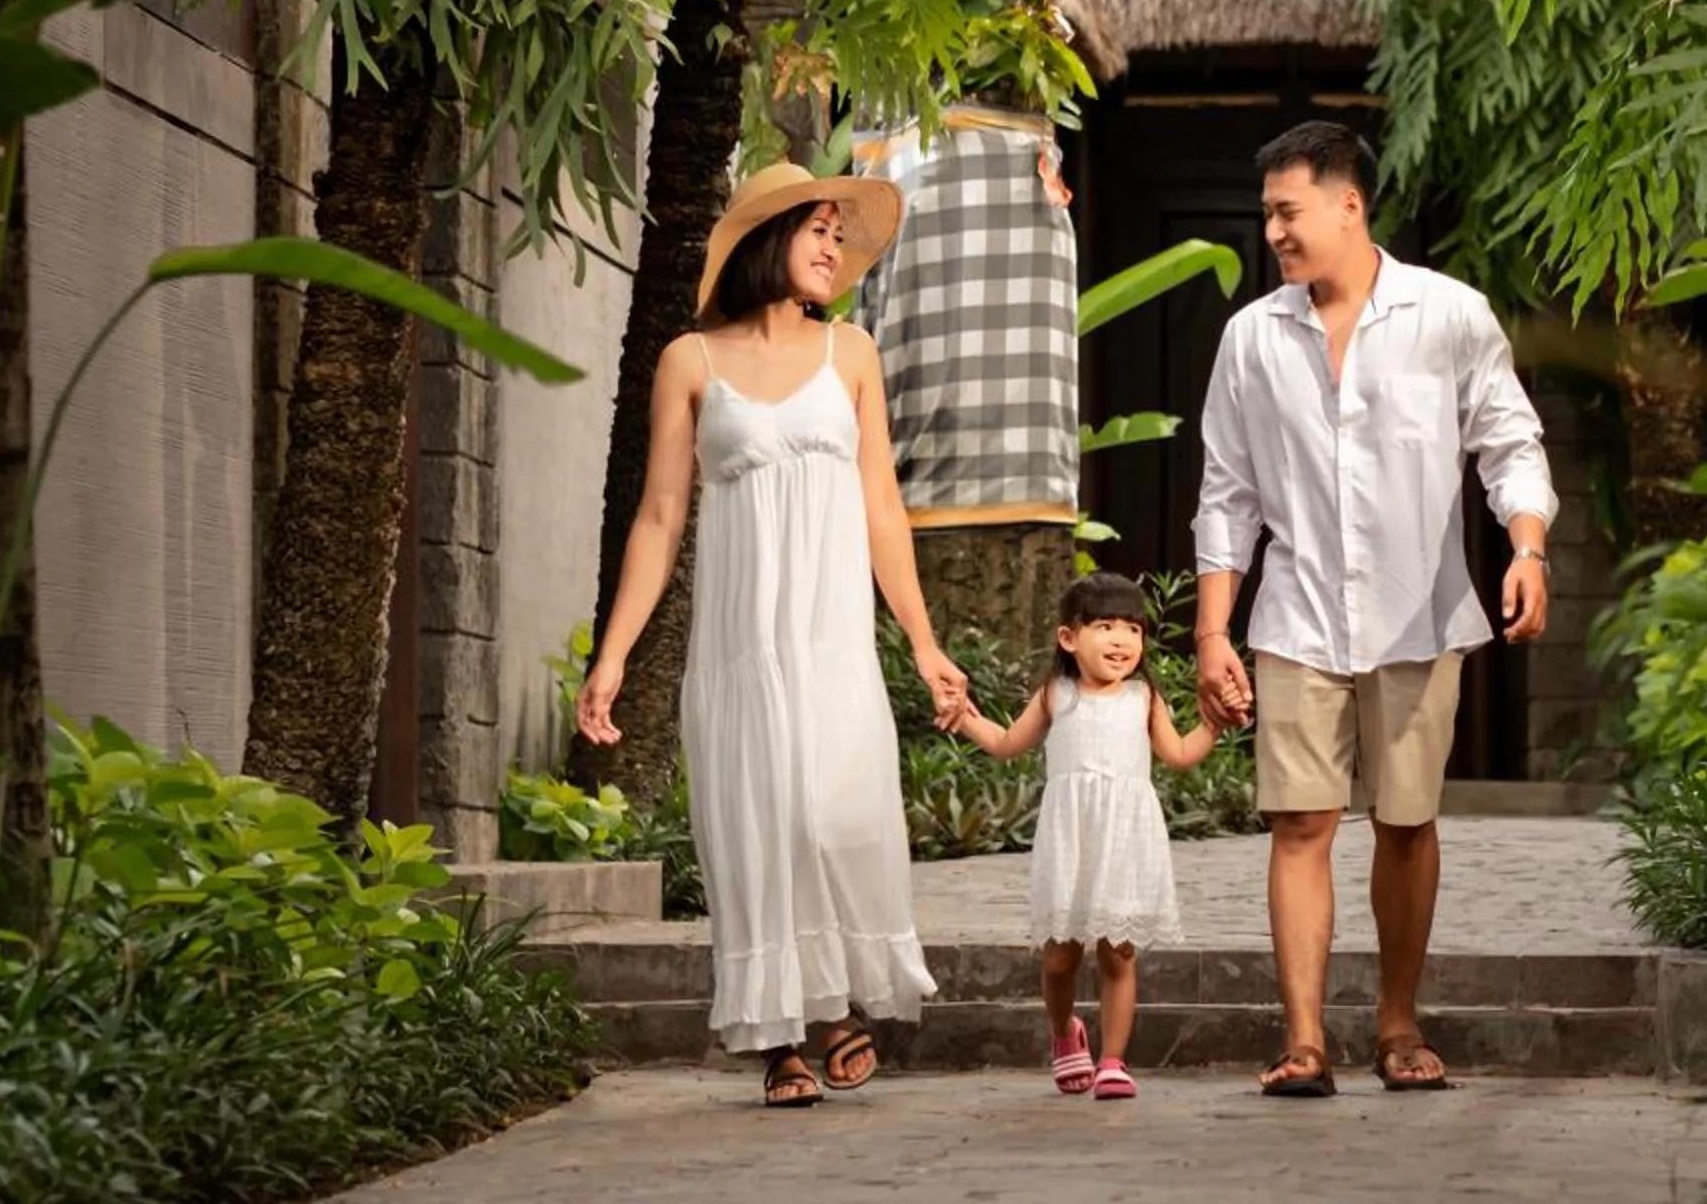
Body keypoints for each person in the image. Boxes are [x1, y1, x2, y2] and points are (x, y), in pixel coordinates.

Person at [577, 161, 969, 1109]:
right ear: (767, 240)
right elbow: (661, 517)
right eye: (818, 230)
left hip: (831, 639)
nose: (836, 247)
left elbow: (882, 505)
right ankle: (787, 1036)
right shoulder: (689, 361)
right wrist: (614, 655)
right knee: (761, 826)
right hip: (741, 646)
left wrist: (921, 641)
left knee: (829, 812)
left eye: (841, 232)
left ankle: (830, 1001)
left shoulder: (854, 354)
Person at [1190, 122, 1557, 1098]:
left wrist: (1527, 548)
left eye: (1286, 209)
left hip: (1420, 615)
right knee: (1299, 822)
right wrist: (1211, 629)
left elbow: (1510, 441)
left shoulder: (1449, 314)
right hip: (1295, 617)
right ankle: (1304, 1037)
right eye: (1267, 211)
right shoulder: (1251, 339)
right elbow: (1226, 493)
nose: (1272, 229)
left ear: (1348, 203)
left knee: (1405, 818)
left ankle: (1398, 1021)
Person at [938, 571, 1215, 1101]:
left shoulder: (1143, 697)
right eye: (1105, 626)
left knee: (1118, 952)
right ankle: (1066, 1032)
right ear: (1069, 637)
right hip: (1071, 840)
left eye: (1132, 629)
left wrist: (1215, 725)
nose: (1121, 641)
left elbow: (1178, 755)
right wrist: (964, 716)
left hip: (1125, 841)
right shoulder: (1056, 694)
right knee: (1059, 956)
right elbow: (1004, 743)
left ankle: (1113, 1059)